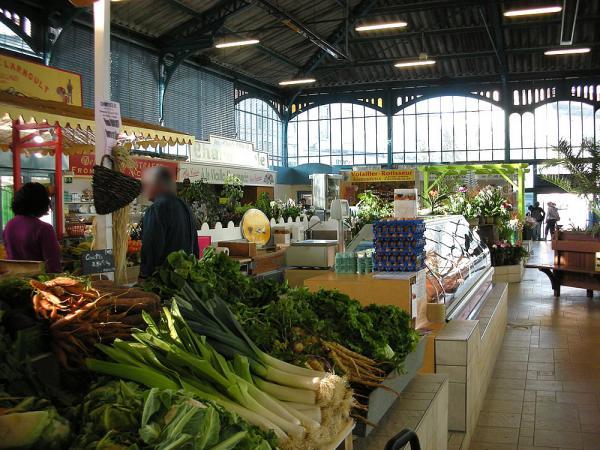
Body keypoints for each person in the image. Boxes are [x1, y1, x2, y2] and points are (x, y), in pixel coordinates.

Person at [139, 166, 199, 279]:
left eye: (147, 185)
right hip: (184, 282)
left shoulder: (156, 209)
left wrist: (144, 276)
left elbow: (151, 248)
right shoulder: (185, 207)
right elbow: (195, 247)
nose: (145, 190)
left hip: (162, 282)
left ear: (157, 185)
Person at [3, 182, 61, 273]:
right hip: (38, 282)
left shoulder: (9, 225)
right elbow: (53, 265)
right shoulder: (44, 229)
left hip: (12, 279)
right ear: (42, 203)